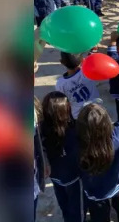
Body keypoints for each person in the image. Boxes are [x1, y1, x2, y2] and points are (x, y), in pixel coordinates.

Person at [76, 72, 119, 222]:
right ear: (106, 123)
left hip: (95, 193)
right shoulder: (115, 137)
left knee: (99, 217)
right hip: (118, 186)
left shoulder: (78, 145)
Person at [39, 92, 84, 222]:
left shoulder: (42, 128)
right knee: (75, 206)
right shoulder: (74, 130)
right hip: (73, 178)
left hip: (55, 176)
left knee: (62, 200)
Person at [55, 52, 101, 120]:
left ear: (61, 62)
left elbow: (63, 104)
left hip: (79, 118)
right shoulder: (88, 71)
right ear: (82, 59)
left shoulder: (60, 84)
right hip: (97, 111)